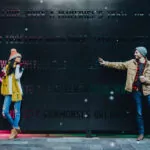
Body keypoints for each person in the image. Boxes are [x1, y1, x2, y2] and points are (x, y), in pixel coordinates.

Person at [98, 46, 150, 141]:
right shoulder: (131, 63)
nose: (134, 54)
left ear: (142, 54)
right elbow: (119, 65)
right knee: (139, 113)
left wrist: (146, 80)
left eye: (136, 52)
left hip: (148, 92)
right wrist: (105, 63)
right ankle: (141, 133)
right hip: (136, 91)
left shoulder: (149, 65)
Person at [1, 48, 24, 139]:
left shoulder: (20, 67)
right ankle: (16, 127)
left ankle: (14, 131)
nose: (19, 59)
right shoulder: (6, 68)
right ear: (13, 59)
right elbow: (1, 79)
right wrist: (3, 78)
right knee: (5, 111)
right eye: (18, 58)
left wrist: (18, 67)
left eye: (20, 58)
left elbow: (17, 77)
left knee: (17, 112)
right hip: (8, 92)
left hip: (17, 92)